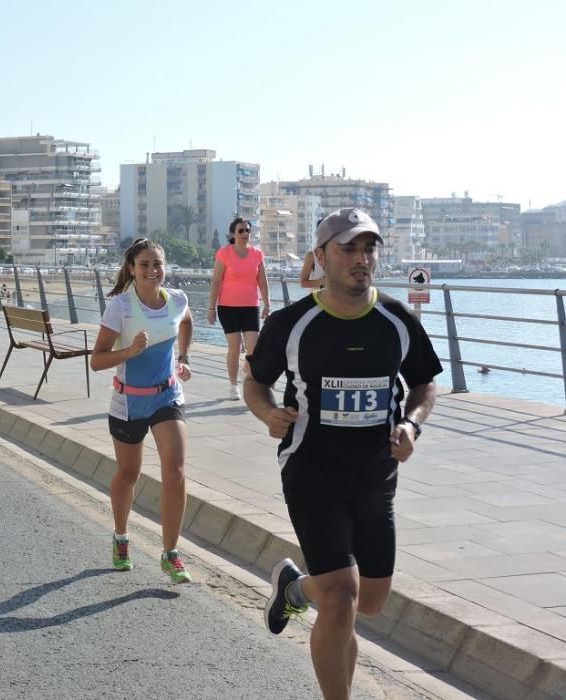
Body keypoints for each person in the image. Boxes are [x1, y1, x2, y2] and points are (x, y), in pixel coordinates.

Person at [243, 208, 442, 700]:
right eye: (348, 248)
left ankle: (294, 587)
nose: (361, 258)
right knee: (340, 597)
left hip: (376, 474)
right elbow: (255, 383)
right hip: (311, 469)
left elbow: (424, 383)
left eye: (369, 248)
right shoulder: (293, 323)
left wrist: (412, 425)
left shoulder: (397, 320)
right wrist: (267, 413)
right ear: (321, 257)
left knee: (368, 601)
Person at [90, 238, 194, 583]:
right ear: (132, 269)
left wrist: (183, 358)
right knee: (128, 474)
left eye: (158, 264)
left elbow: (187, 321)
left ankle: (171, 554)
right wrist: (130, 352)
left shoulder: (177, 299)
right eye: (145, 264)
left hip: (167, 397)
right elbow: (97, 360)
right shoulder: (120, 307)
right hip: (129, 402)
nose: (152, 271)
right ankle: (121, 538)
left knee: (175, 472)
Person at [207, 218, 270, 400]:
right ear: (233, 234)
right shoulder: (224, 253)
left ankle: (246, 371)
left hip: (251, 306)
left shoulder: (257, 254)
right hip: (228, 307)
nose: (245, 234)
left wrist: (267, 304)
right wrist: (211, 308)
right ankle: (233, 386)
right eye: (241, 231)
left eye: (247, 231)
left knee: (253, 349)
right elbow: (216, 281)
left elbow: (262, 281)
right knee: (235, 347)